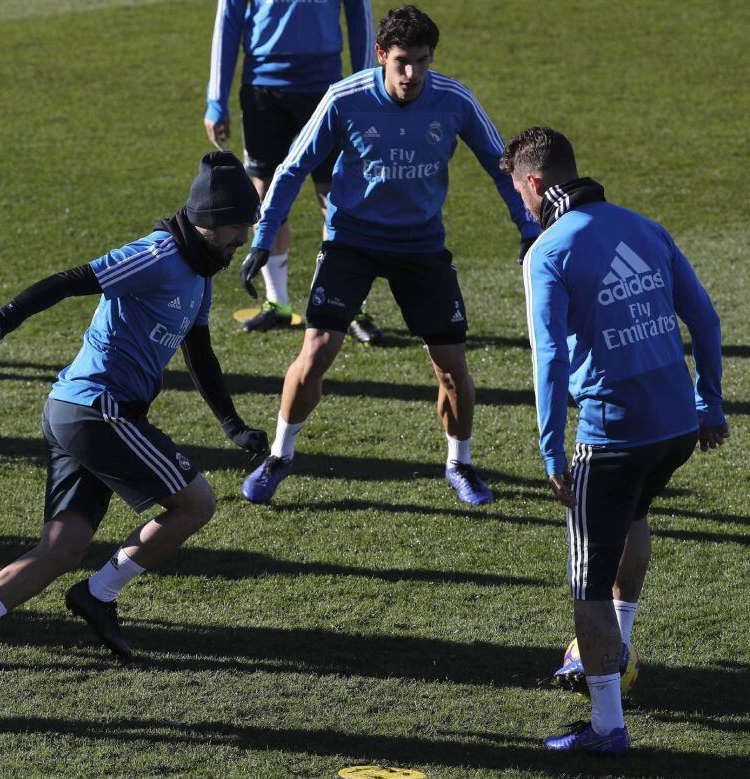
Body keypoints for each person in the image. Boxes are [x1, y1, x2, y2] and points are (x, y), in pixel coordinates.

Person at [0, 151, 269, 668]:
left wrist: (231, 424)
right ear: (210, 221)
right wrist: (4, 318)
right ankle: (99, 595)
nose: (243, 239)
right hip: (96, 410)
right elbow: (73, 278)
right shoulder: (158, 255)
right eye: (239, 228)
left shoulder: (199, 277)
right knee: (196, 504)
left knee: (62, 548)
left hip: (83, 412)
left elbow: (199, 353)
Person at [239, 5, 539, 507]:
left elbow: (501, 165)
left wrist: (529, 229)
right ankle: (279, 456)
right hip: (351, 241)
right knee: (315, 354)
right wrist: (263, 237)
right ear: (381, 55)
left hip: (421, 246)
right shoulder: (344, 98)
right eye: (401, 61)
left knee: (451, 367)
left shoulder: (454, 100)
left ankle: (459, 463)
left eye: (421, 61)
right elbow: (291, 169)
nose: (411, 74)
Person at [503, 126, 728, 754]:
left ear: (536, 183)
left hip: (613, 436)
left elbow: (548, 360)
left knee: (587, 585)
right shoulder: (644, 226)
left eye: (518, 189)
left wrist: (551, 451)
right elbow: (705, 318)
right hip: (678, 428)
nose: (520, 202)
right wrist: (709, 402)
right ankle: (615, 648)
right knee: (633, 514)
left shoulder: (547, 251)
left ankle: (606, 725)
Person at [206, 0, 381, 340]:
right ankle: (278, 303)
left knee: (338, 197)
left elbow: (360, 15)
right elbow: (228, 21)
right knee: (266, 192)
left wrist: (363, 86)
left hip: (326, 88)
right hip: (263, 89)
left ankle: (349, 302)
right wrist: (216, 99)